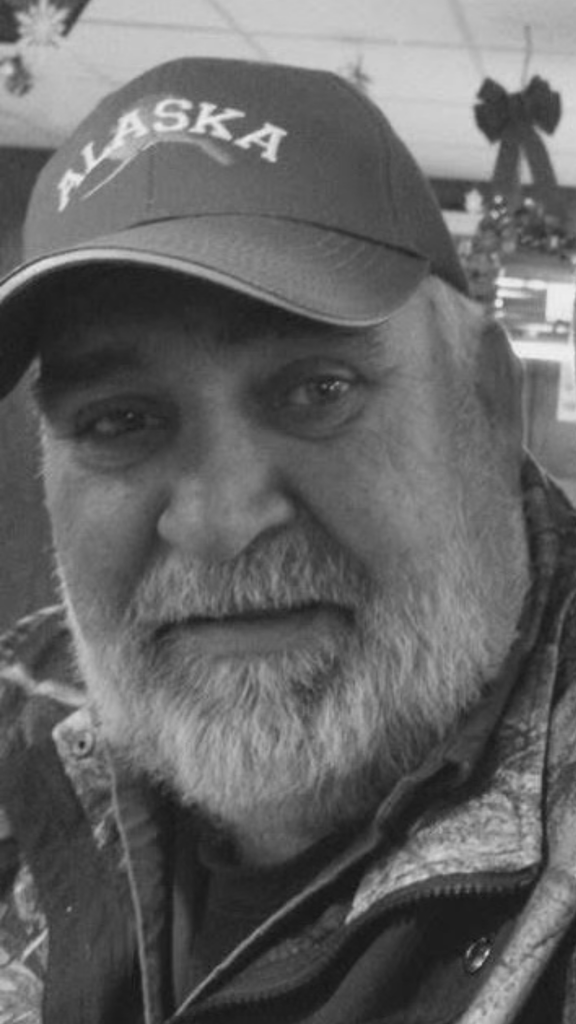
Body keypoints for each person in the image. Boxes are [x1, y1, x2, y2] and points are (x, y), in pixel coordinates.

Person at [0, 55, 575, 1024]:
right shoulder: (26, 704)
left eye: (317, 389)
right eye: (119, 420)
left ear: (485, 402)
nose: (220, 524)